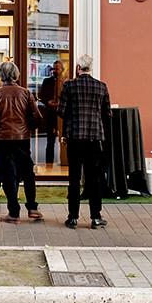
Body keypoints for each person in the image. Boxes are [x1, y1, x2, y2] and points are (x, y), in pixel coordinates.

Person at [0, 61, 43, 223]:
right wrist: (28, 129)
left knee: (8, 174)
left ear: (1, 75)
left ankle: (14, 213)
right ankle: (32, 207)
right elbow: (37, 117)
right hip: (22, 138)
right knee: (28, 172)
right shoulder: (26, 93)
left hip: (3, 139)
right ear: (16, 75)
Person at [58, 54, 111, 229]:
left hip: (74, 138)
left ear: (78, 68)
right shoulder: (101, 87)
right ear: (90, 69)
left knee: (73, 178)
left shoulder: (69, 85)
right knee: (94, 179)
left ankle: (73, 217)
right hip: (94, 139)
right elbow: (107, 114)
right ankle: (95, 217)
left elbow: (62, 111)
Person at [38, 60, 66, 165]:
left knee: (63, 141)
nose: (54, 71)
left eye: (57, 69)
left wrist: (60, 103)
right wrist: (48, 102)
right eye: (53, 69)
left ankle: (64, 163)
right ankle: (48, 165)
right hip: (50, 115)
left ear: (62, 70)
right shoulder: (47, 81)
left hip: (62, 115)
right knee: (50, 142)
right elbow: (41, 96)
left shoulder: (65, 82)